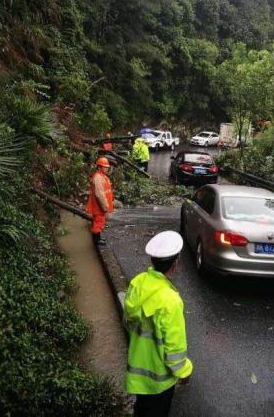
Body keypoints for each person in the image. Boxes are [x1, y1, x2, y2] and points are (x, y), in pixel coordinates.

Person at [124, 231, 193, 417]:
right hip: (159, 381)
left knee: (140, 410)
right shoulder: (171, 300)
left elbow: (129, 322)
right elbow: (175, 349)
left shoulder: (138, 283)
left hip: (137, 374)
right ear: (176, 263)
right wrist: (185, 372)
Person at [86, 157, 114, 246]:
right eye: (105, 167)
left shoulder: (101, 176)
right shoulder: (98, 178)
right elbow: (99, 194)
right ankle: (96, 241)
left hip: (100, 206)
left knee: (100, 222)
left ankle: (98, 238)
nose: (107, 168)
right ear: (99, 167)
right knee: (97, 223)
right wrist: (105, 206)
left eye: (107, 167)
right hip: (99, 206)